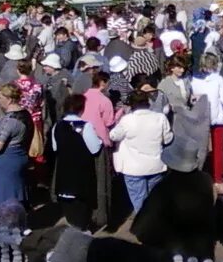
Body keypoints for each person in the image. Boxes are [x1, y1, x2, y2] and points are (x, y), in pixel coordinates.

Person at [109, 87, 173, 213]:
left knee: (139, 201)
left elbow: (113, 135)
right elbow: (168, 138)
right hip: (156, 165)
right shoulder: (160, 118)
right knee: (154, 198)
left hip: (133, 168)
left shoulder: (127, 120)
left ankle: (144, 226)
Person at [51, 93, 101, 230]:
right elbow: (95, 149)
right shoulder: (86, 126)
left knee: (70, 213)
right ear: (82, 108)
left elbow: (55, 147)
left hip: (64, 175)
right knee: (82, 214)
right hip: (82, 176)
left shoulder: (57, 126)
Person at [0, 84, 33, 214]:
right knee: (16, 194)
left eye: (1, 97)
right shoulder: (26, 114)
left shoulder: (9, 121)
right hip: (22, 157)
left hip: (7, 162)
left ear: (10, 99)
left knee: (4, 198)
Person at [193, 53, 223, 180]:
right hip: (218, 117)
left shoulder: (194, 80)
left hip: (201, 116)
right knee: (218, 149)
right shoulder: (219, 79)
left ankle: (199, 173)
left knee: (200, 148)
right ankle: (218, 177)